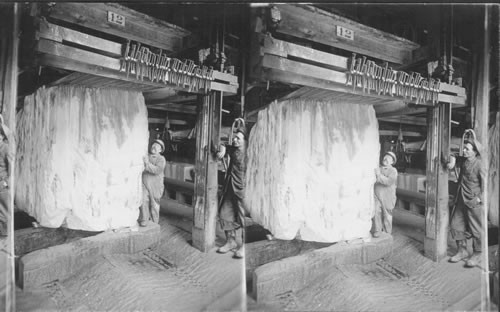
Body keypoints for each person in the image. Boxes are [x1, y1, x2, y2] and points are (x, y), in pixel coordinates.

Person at [447, 138, 486, 267]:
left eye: (467, 149)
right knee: (455, 224)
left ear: (475, 152)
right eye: (464, 148)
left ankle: (478, 254)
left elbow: (486, 185)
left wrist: (479, 198)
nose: (464, 150)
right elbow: (454, 155)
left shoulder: (480, 164)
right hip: (461, 199)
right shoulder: (464, 161)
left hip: (473, 201)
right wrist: (452, 158)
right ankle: (462, 251)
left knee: (476, 229)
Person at [215, 129, 247, 259]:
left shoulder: (251, 153)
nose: (235, 140)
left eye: (238, 138)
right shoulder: (233, 149)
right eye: (234, 137)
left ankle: (244, 247)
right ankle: (230, 241)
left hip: (243, 190)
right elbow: (223, 145)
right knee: (224, 213)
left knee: (243, 219)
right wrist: (222, 148)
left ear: (245, 141)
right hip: (230, 187)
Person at [139, 139, 166, 227]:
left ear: (160, 150)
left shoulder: (161, 159)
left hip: (156, 186)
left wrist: (147, 164)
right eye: (153, 145)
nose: (154, 147)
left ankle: (155, 222)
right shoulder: (146, 156)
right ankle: (145, 219)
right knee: (143, 201)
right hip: (145, 183)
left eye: (157, 146)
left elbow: (157, 170)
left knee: (154, 205)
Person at [372, 151, 398, 237]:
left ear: (392, 162)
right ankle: (378, 230)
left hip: (388, 197)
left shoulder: (393, 171)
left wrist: (379, 175)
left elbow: (388, 182)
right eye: (385, 157)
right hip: (377, 195)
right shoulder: (378, 168)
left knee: (387, 216)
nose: (386, 159)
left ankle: (387, 233)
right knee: (376, 213)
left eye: (389, 158)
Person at [0, 115, 14, 237]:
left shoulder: (5, 147)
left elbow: (12, 169)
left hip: (2, 185)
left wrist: (6, 182)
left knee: (5, 213)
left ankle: (5, 237)